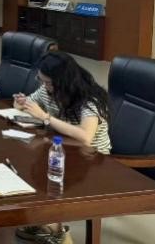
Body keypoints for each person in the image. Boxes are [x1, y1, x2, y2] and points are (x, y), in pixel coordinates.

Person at [13, 51, 111, 244]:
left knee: (50, 180)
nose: (44, 86)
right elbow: (29, 105)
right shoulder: (48, 90)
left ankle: (56, 231)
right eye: (41, 81)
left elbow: (85, 137)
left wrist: (45, 117)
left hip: (92, 159)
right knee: (26, 170)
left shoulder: (90, 99)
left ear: (63, 82)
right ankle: (41, 223)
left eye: (48, 82)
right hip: (63, 147)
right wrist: (22, 103)